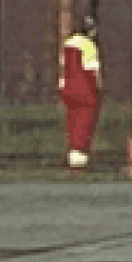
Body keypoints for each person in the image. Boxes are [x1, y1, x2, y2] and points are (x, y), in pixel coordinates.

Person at [58, 17, 101, 173]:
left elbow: (63, 67)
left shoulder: (68, 43)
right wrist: (98, 89)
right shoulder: (89, 45)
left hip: (68, 89)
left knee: (72, 121)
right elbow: (92, 72)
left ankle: (72, 154)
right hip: (85, 90)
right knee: (84, 122)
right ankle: (79, 158)